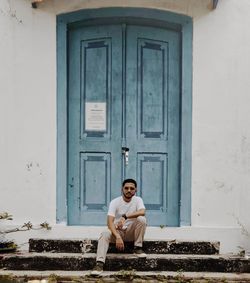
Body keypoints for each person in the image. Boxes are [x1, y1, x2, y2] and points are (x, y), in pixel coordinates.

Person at [91, 178, 147, 276]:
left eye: (131, 188)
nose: (129, 190)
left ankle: (138, 247)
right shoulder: (115, 202)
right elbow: (109, 222)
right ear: (122, 189)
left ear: (135, 190)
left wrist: (125, 216)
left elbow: (142, 212)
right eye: (126, 188)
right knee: (104, 234)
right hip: (118, 231)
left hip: (131, 232)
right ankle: (99, 264)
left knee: (142, 219)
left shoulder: (138, 200)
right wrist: (117, 236)